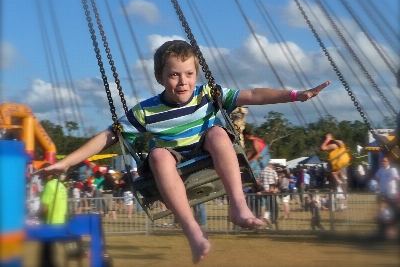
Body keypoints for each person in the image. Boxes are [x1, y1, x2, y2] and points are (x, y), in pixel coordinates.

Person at [35, 40, 330, 263]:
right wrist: (66, 164)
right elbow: (107, 137)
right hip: (172, 158)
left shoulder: (207, 95)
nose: (183, 81)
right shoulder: (147, 111)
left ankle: (238, 207)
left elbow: (253, 95)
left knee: (216, 132)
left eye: (189, 73)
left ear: (196, 74)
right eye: (174, 75)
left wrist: (294, 95)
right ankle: (192, 230)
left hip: (205, 149)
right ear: (160, 77)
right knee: (159, 154)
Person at [39, 163, 68, 267]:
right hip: (61, 223)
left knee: (46, 255)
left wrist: (36, 216)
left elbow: (44, 208)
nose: (42, 178)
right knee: (54, 255)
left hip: (50, 223)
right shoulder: (61, 186)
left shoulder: (49, 185)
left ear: (49, 175)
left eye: (43, 175)